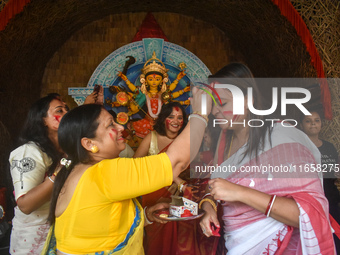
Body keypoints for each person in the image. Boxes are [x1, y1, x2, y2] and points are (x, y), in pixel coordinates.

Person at [197, 63, 335, 254]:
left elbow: (309, 212)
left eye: (223, 104)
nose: (214, 111)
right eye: (213, 104)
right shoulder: (224, 142)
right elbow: (214, 185)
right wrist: (208, 206)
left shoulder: (282, 140)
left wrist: (240, 193)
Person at [42, 103, 203, 254]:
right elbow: (176, 162)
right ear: (89, 143)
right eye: (111, 124)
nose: (120, 127)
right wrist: (203, 105)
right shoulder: (104, 173)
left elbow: (98, 226)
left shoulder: (76, 172)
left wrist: (145, 216)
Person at [8, 94, 68, 254]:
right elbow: (26, 205)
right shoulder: (29, 152)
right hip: (33, 239)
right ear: (43, 121)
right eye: (59, 111)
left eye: (66, 109)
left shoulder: (64, 150)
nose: (66, 114)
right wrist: (62, 169)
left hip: (61, 234)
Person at [115, 51, 190, 138]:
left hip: (161, 122)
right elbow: (135, 90)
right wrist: (126, 79)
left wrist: (178, 79)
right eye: (150, 79)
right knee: (135, 126)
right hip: (147, 122)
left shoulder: (163, 95)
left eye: (157, 79)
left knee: (167, 128)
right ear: (145, 81)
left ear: (162, 81)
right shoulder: (144, 94)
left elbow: (172, 100)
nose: (154, 81)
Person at [300, 110, 340, 253]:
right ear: (301, 125)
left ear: (321, 124)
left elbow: (335, 171)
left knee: (335, 234)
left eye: (317, 120)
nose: (313, 124)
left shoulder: (329, 147)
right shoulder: (298, 147)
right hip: (310, 200)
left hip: (330, 198)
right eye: (308, 121)